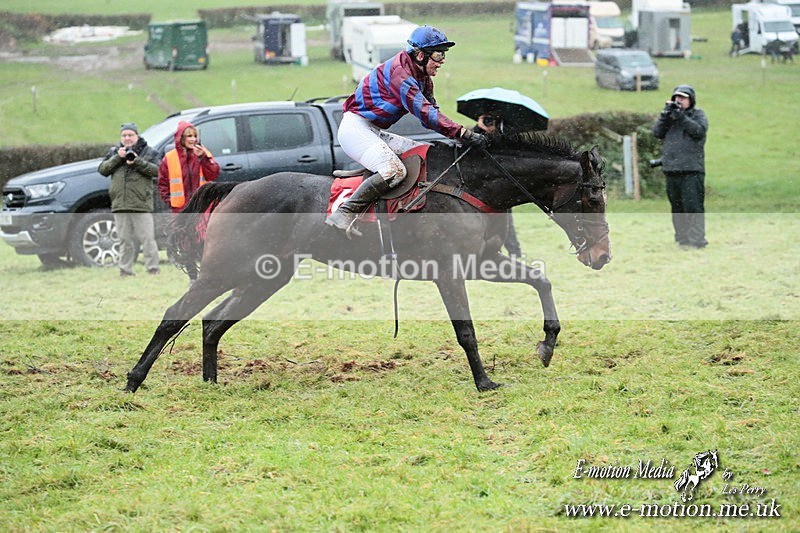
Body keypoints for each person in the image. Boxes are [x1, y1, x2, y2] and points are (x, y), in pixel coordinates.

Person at [325, 25, 489, 237]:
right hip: (355, 129)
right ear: (420, 55)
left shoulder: (422, 77)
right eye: (439, 54)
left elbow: (433, 110)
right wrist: (464, 134)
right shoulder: (401, 75)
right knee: (395, 171)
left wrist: (459, 135)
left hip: (372, 129)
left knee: (426, 153)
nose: (442, 60)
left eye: (444, 54)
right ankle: (345, 212)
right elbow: (427, 115)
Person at [158, 121, 220, 282]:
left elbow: (213, 174)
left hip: (201, 207)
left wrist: (204, 159)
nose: (193, 139)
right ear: (181, 138)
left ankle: (207, 276)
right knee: (185, 243)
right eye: (189, 136)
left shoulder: (203, 154)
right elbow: (162, 183)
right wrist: (170, 201)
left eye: (194, 136)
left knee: (204, 240)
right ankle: (193, 277)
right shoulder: (169, 158)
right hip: (180, 209)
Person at [98, 122, 161, 277]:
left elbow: (158, 171)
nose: (127, 138)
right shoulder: (114, 152)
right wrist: (117, 158)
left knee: (147, 239)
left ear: (137, 136)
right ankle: (125, 270)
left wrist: (137, 162)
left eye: (130, 135)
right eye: (124, 135)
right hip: (120, 204)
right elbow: (103, 169)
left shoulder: (149, 151)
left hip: (141, 204)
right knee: (124, 240)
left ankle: (153, 268)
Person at [652, 85, 709, 249]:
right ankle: (682, 238)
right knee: (677, 207)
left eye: (683, 98)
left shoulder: (698, 115)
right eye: (677, 97)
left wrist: (681, 117)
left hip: (692, 170)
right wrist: (665, 115)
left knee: (693, 206)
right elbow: (657, 133)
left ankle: (697, 240)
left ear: (691, 100)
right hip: (671, 169)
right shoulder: (670, 117)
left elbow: (698, 131)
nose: (679, 100)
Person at [472, 112, 523, 257]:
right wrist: (479, 127)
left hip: (501, 185)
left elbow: (507, 153)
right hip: (483, 185)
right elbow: (470, 146)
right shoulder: (479, 132)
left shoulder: (508, 132)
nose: (490, 121)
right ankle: (491, 252)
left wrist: (494, 133)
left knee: (505, 222)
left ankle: (515, 253)